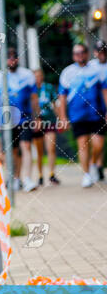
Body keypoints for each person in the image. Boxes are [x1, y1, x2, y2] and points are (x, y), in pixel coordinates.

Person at [0, 48, 40, 193]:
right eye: (9, 57)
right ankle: (15, 178)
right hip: (5, 120)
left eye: (14, 57)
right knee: (12, 152)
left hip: (24, 118)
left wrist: (37, 117)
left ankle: (27, 179)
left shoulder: (27, 75)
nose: (12, 60)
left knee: (26, 146)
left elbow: (34, 99)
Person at [58, 43, 107, 188]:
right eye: (77, 53)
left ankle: (93, 165)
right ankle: (86, 174)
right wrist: (63, 117)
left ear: (87, 53)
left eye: (82, 52)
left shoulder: (97, 70)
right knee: (83, 144)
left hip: (96, 113)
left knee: (99, 144)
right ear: (73, 56)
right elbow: (62, 97)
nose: (80, 55)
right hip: (77, 115)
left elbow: (105, 91)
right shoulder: (67, 72)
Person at [32, 69, 60, 186]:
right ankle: (40, 175)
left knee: (51, 147)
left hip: (49, 120)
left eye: (40, 76)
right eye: (36, 76)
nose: (38, 78)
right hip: (35, 122)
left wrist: (60, 119)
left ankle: (52, 174)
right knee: (39, 151)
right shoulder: (31, 89)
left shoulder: (48, 88)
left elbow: (55, 104)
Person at [88, 39, 107, 181]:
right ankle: (95, 164)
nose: (102, 54)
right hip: (97, 110)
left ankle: (98, 165)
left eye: (104, 51)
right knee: (98, 143)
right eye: (100, 51)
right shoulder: (90, 67)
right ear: (95, 52)